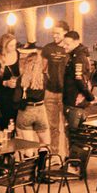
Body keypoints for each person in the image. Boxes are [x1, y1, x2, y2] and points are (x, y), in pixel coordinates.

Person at [58, 29, 97, 141]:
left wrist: (91, 97)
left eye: (67, 44)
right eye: (64, 43)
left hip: (74, 102)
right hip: (75, 101)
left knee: (74, 136)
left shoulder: (78, 58)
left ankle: (74, 157)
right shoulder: (78, 55)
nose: (64, 46)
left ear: (76, 42)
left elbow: (79, 80)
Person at [43, 20, 71, 155]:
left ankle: (68, 155)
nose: (54, 36)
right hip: (50, 93)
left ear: (65, 33)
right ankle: (54, 155)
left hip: (66, 94)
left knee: (67, 126)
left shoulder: (70, 49)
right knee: (53, 127)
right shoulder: (47, 49)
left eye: (57, 33)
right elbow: (42, 69)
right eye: (53, 33)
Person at [14, 46, 51, 144]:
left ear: (27, 64)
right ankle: (42, 159)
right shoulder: (44, 78)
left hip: (25, 111)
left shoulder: (21, 79)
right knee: (45, 143)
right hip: (40, 110)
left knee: (28, 146)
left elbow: (16, 99)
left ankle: (30, 158)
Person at [0, 33, 21, 133]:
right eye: (11, 46)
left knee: (13, 123)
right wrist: (4, 83)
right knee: (3, 124)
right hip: (1, 95)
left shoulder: (17, 53)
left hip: (15, 94)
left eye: (15, 45)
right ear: (4, 46)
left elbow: (18, 72)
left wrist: (16, 81)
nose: (13, 48)